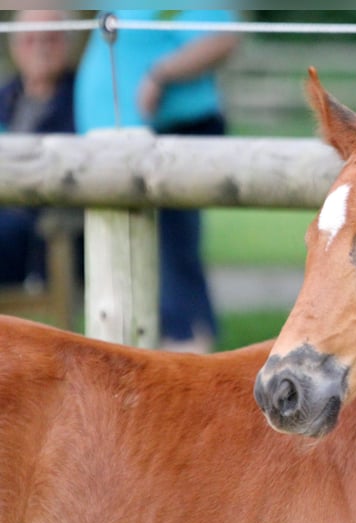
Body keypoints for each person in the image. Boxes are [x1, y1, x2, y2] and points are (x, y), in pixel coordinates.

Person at [76, 10, 239, 353]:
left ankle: (188, 347)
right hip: (132, 146)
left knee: (173, 249)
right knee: (160, 251)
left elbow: (222, 37)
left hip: (168, 138)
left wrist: (159, 75)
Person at [0, 10, 77, 286]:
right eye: (31, 40)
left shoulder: (80, 97)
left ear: (67, 43)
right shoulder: (5, 95)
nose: (41, 48)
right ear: (15, 47)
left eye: (51, 39)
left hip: (40, 219)